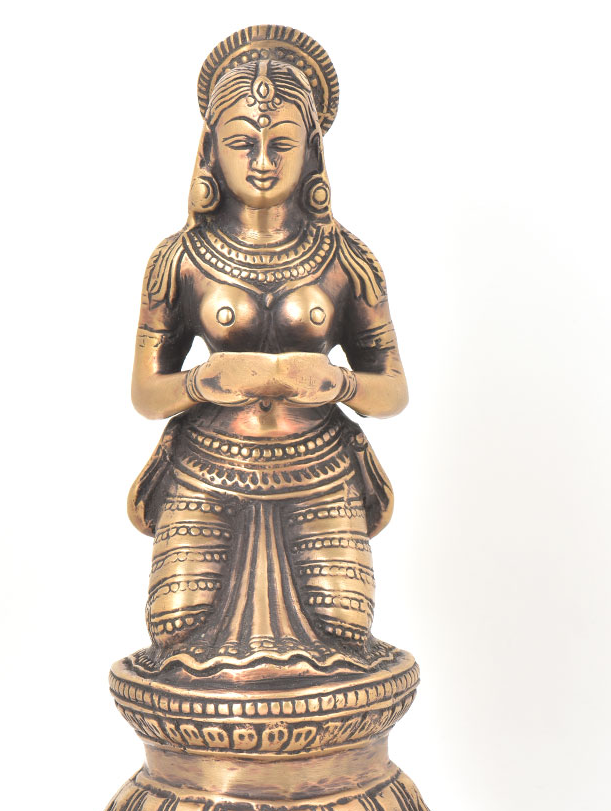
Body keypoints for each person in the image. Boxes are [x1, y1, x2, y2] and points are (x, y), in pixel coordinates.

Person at [127, 54, 408, 676]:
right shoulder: (179, 259)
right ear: (211, 149)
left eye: (281, 143)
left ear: (312, 152)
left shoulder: (348, 259)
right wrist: (203, 381)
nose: (261, 161)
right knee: (174, 631)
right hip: (208, 466)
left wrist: (338, 382)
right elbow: (147, 393)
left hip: (319, 466)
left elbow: (392, 390)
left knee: (346, 634)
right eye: (241, 143)